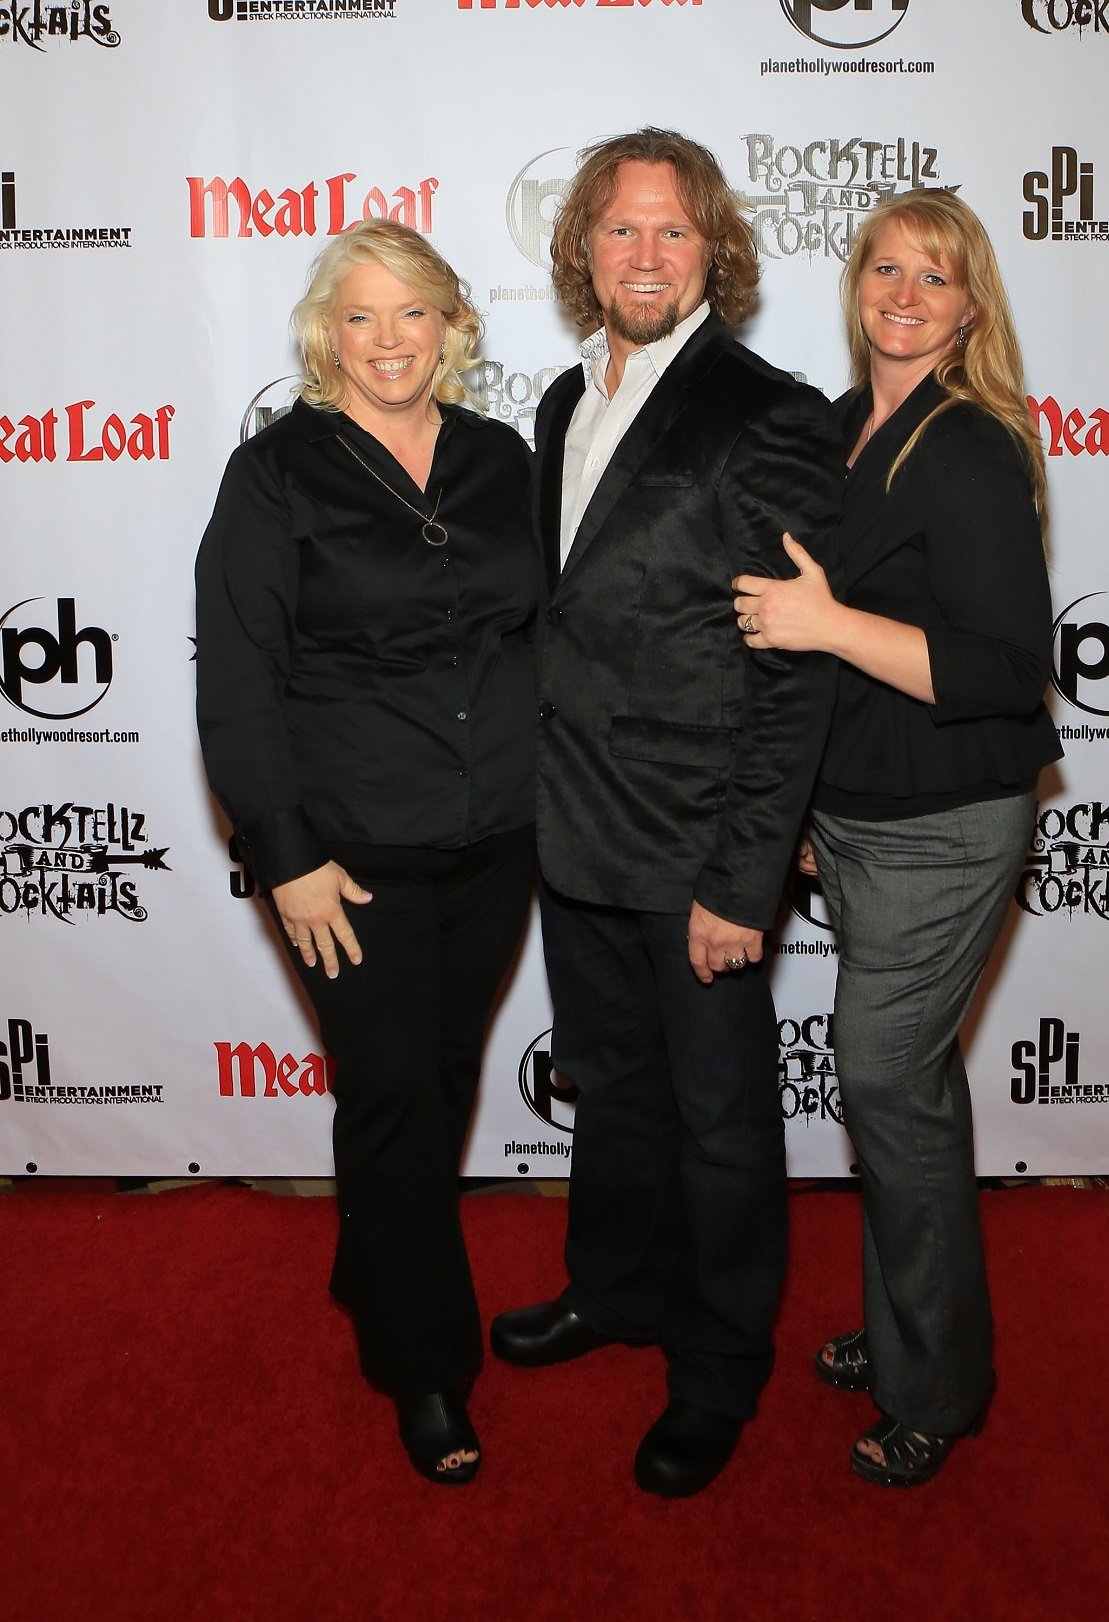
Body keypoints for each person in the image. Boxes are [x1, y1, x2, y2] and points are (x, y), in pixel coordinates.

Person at [488, 128, 842, 1497]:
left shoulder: (769, 411)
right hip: (571, 828)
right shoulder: (559, 408)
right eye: (621, 230)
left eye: (673, 233)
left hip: (700, 844)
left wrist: (746, 877)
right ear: (583, 246)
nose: (645, 256)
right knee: (615, 1089)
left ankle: (718, 1367)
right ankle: (614, 1289)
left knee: (720, 1117)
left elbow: (797, 663)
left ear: (716, 253)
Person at [195, 220, 537, 1485]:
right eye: (362, 318)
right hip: (349, 855)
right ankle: (427, 1367)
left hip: (500, 833)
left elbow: (548, 631)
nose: (390, 341)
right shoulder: (276, 472)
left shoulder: (504, 458)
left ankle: (368, 1257)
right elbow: (236, 680)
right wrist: (283, 854)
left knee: (439, 1076)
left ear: (452, 327)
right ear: (322, 334)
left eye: (415, 315)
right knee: (393, 1093)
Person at [732, 188, 1063, 1486]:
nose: (906, 294)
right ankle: (899, 1321)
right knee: (905, 1090)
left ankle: (942, 1380)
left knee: (880, 1079)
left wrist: (827, 628)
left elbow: (1003, 664)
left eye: (936, 276)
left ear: (971, 305)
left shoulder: (970, 446)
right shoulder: (842, 426)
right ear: (857, 282)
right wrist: (807, 798)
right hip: (861, 819)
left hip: (948, 826)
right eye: (887, 268)